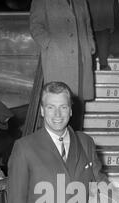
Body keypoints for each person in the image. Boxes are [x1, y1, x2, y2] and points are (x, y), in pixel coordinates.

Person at [29, 0, 95, 130]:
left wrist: (90, 43)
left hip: (81, 62)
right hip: (58, 61)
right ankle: (56, 147)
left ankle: (75, 146)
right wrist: (50, 44)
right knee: (58, 106)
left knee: (77, 110)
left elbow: (87, 23)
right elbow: (35, 26)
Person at [87, 0, 115, 70]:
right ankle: (102, 64)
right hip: (102, 15)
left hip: (94, 13)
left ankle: (98, 65)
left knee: (100, 35)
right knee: (103, 34)